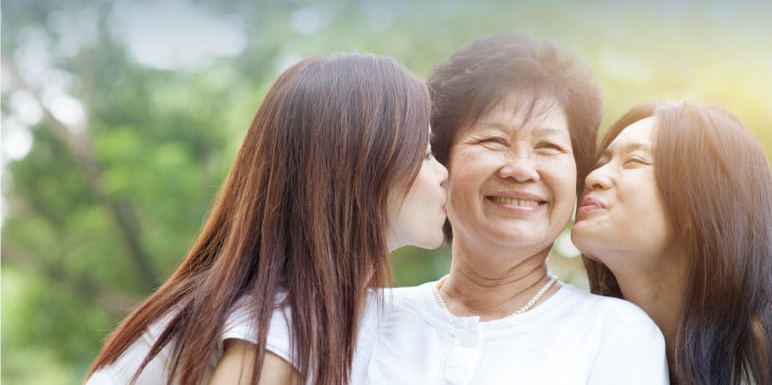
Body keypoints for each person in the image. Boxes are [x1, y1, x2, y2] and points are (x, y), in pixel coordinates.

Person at [85, 53, 448, 385]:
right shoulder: (282, 319)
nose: (444, 172)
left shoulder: (283, 305)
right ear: (363, 170)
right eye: (426, 153)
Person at [350, 34, 668, 384]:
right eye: (494, 141)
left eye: (548, 146)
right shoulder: (361, 319)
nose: (521, 169)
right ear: (440, 161)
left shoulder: (616, 334)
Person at [572, 101, 772, 384]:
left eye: (634, 161)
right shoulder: (586, 340)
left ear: (698, 203)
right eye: (601, 162)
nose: (594, 177)